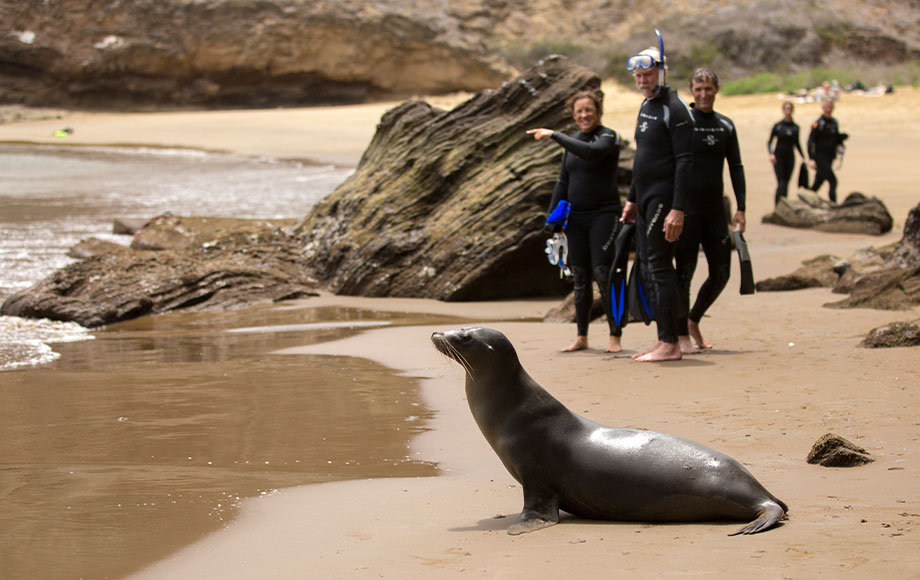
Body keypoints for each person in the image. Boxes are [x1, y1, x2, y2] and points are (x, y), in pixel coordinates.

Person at [528, 87, 624, 353]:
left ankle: (615, 336)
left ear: (598, 112)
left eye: (589, 110)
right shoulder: (569, 144)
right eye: (579, 111)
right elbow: (563, 182)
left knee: (604, 274)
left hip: (604, 216)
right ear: (573, 114)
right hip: (576, 219)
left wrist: (555, 135)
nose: (584, 115)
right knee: (580, 278)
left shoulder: (608, 137)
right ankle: (582, 336)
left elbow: (591, 152)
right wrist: (553, 218)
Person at [620, 40, 693, 362]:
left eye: (648, 74)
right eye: (637, 75)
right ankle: (667, 338)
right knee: (650, 266)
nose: (642, 80)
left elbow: (685, 162)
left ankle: (670, 343)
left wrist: (677, 209)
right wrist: (632, 199)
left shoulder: (674, 109)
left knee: (659, 266)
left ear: (662, 73)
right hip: (646, 199)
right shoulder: (646, 106)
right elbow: (641, 159)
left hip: (665, 200)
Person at [675, 68, 746, 353]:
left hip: (716, 210)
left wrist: (741, 208)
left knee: (721, 272)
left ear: (717, 89)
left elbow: (736, 168)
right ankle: (681, 335)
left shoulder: (725, 126)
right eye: (698, 89)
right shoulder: (682, 122)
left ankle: (693, 320)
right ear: (691, 91)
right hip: (686, 211)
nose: (703, 94)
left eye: (708, 89)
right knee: (684, 274)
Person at [767, 101, 805, 206]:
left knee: (787, 183)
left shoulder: (795, 127)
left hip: (790, 158)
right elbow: (769, 142)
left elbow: (797, 144)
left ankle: (784, 206)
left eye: (790, 109)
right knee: (781, 183)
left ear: (792, 111)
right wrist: (771, 154)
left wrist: (804, 157)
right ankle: (777, 206)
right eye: (786, 109)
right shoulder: (778, 126)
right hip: (778, 157)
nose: (788, 111)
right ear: (783, 111)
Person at [807, 98, 844, 203]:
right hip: (820, 157)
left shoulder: (834, 122)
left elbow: (835, 138)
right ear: (822, 108)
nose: (828, 109)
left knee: (818, 183)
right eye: (826, 107)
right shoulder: (818, 123)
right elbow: (810, 142)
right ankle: (834, 205)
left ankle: (805, 200)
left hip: (830, 157)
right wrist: (811, 159)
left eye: (830, 107)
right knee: (833, 181)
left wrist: (841, 141)